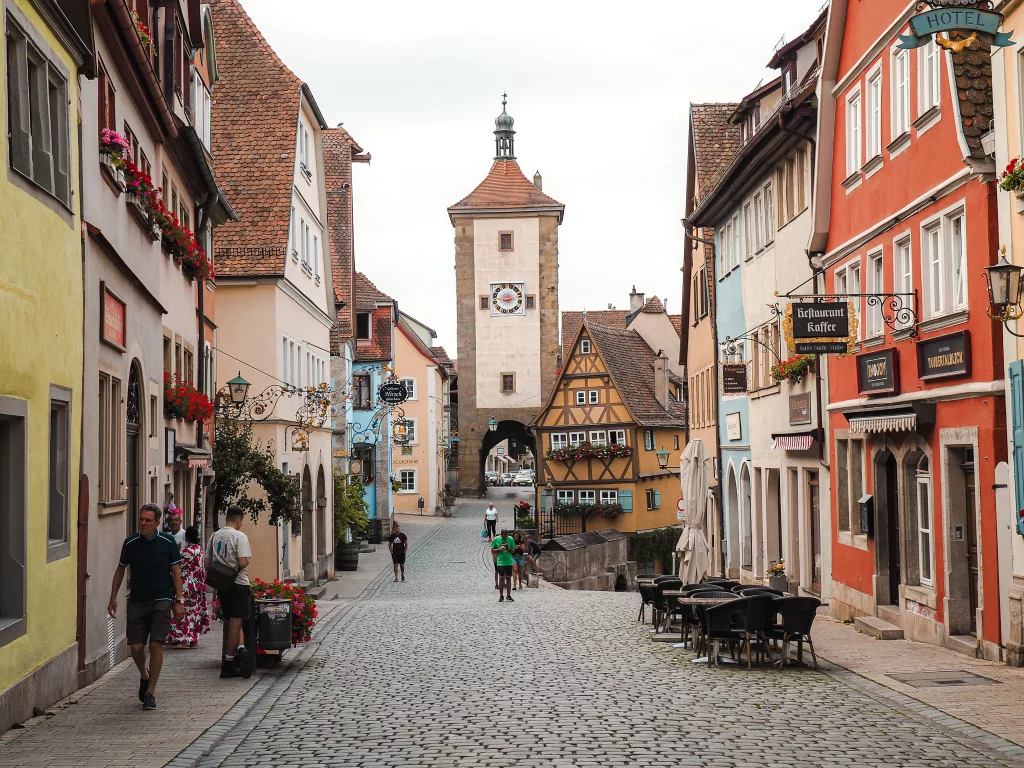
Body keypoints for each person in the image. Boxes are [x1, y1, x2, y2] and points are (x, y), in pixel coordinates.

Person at [107, 504, 185, 711]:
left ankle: (151, 692)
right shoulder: (131, 543)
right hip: (138, 600)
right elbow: (121, 569)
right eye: (141, 519)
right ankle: (144, 673)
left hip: (162, 599)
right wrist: (113, 596)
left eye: (148, 520)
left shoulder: (167, 542)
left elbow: (175, 572)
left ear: (158, 522)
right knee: (136, 647)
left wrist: (179, 600)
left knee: (156, 644)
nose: (143, 523)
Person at [207, 507, 252, 679]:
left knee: (233, 620)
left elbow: (207, 563)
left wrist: (221, 572)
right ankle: (228, 663)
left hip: (222, 585)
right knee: (236, 623)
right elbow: (243, 561)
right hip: (239, 583)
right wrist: (233, 568)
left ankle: (240, 648)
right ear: (239, 520)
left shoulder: (215, 535)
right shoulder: (239, 536)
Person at [167, 526, 210, 649]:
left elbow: (176, 566)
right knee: (194, 613)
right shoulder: (199, 550)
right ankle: (194, 640)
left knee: (183, 613)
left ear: (186, 537)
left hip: (186, 586)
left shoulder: (188, 551)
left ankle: (183, 639)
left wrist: (176, 550)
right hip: (197, 586)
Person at [491, 528, 516, 602]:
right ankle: (501, 596)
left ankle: (508, 595)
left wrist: (509, 549)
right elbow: (492, 550)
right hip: (501, 562)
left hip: (509, 562)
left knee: (508, 578)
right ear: (501, 534)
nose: (505, 537)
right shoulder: (496, 539)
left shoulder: (510, 539)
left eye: (506, 535)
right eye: (504, 536)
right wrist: (499, 549)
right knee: (501, 578)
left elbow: (514, 551)